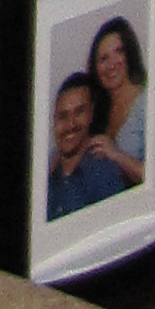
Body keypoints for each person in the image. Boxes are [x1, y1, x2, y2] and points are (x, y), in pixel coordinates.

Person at [44, 70, 124, 219]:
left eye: (79, 112)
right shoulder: (44, 174)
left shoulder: (103, 173)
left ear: (91, 115)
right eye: (63, 116)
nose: (71, 124)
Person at [84, 14, 150, 189]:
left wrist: (116, 155)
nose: (111, 65)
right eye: (103, 59)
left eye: (118, 52)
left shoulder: (147, 103)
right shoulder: (96, 110)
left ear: (129, 54)